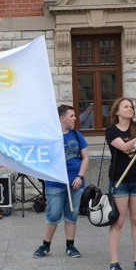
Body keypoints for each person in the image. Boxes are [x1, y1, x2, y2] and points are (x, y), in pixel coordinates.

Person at [33, 104, 89, 259]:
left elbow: (85, 158)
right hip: (55, 183)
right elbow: (42, 158)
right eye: (71, 116)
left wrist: (80, 176)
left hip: (75, 182)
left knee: (72, 215)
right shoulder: (50, 137)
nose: (75, 118)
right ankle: (45, 245)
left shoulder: (77, 135)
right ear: (62, 118)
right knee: (54, 214)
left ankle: (70, 246)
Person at [105, 97, 136, 270]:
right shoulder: (111, 131)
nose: (130, 109)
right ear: (117, 112)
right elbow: (123, 147)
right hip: (119, 181)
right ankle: (114, 263)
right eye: (126, 106)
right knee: (118, 222)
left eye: (131, 107)